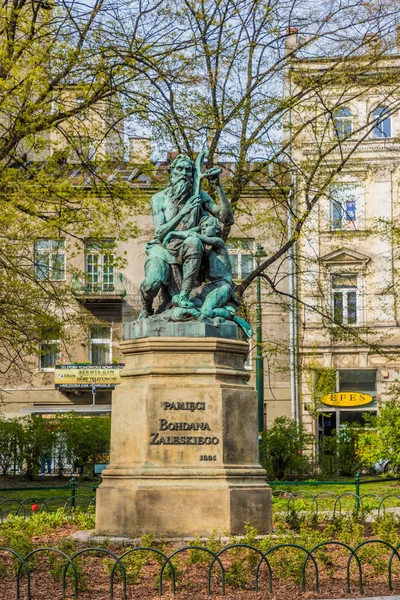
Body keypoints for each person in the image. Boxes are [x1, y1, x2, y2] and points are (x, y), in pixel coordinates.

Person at [139, 153, 234, 317]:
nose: (184, 173)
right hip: (162, 248)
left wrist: (218, 187)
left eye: (188, 170)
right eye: (180, 169)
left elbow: (227, 218)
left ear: (193, 174)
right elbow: (160, 232)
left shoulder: (200, 196)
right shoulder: (159, 198)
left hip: (187, 249)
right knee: (151, 284)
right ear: (172, 172)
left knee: (193, 241)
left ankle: (183, 296)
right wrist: (184, 212)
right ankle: (146, 308)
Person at [163, 215, 253, 338]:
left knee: (205, 313)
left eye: (207, 226)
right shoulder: (207, 251)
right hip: (209, 288)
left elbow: (197, 236)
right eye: (202, 227)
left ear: (217, 229)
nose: (204, 229)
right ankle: (219, 313)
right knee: (192, 303)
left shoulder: (219, 243)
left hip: (222, 286)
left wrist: (175, 233)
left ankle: (231, 316)